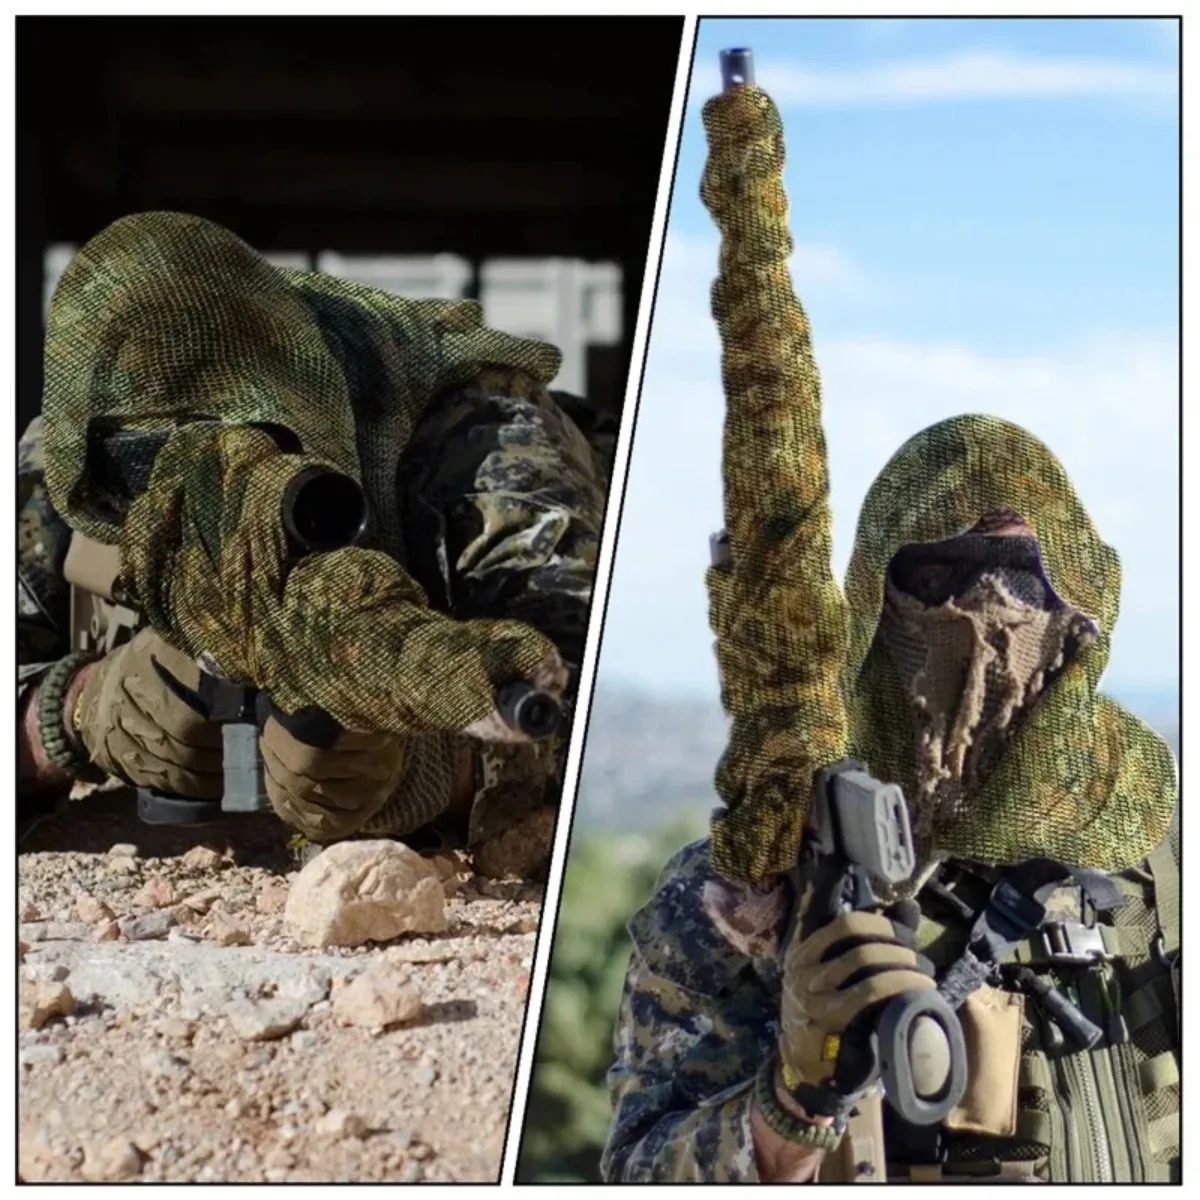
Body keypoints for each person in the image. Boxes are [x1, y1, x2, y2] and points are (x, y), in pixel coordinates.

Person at [599, 415, 1180, 1183]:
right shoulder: (762, 882)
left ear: (1079, 606)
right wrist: (791, 1104)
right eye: (939, 578)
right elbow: (639, 1170)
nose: (988, 611)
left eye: (1020, 573)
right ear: (874, 609)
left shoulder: (1151, 847)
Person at [18, 210, 615, 874]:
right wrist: (72, 714)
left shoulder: (488, 449)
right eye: (154, 462)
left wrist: (429, 769)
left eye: (263, 442)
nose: (206, 501)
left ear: (320, 412)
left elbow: (590, 740)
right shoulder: (78, 466)